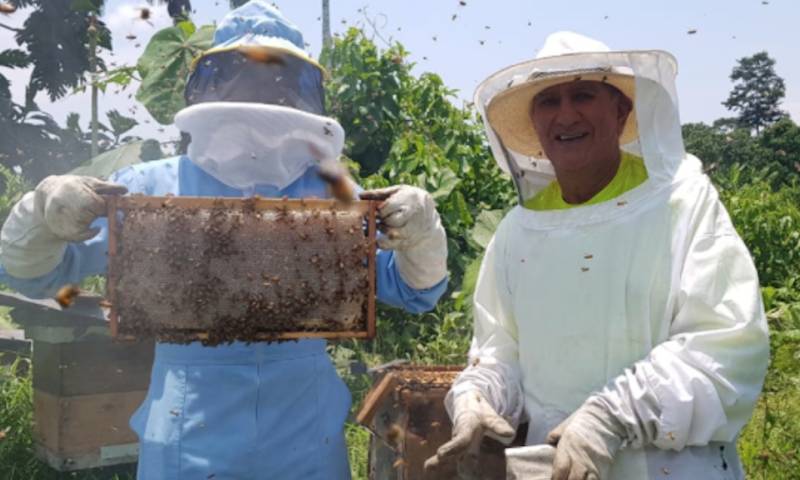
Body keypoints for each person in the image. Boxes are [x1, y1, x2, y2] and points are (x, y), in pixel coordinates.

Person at [0, 2, 448, 479]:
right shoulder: (151, 188)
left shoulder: (332, 194)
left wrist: (421, 235)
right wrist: (41, 216)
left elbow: (415, 292)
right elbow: (30, 274)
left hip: (305, 429)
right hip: (189, 427)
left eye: (275, 80)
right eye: (244, 77)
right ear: (211, 86)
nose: (260, 95)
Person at [425, 32, 769, 479]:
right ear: (534, 124)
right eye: (549, 101)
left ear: (622, 111)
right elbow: (500, 350)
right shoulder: (517, 232)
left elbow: (725, 345)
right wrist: (477, 395)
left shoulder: (681, 202)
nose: (566, 114)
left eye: (583, 94)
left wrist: (613, 416)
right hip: (554, 467)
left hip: (673, 466)